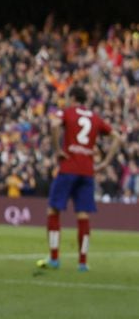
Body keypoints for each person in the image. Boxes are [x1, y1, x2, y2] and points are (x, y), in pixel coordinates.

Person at [37, 86, 121, 272]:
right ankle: (82, 263)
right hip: (87, 171)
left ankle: (54, 258)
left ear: (73, 97)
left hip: (68, 168)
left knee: (53, 210)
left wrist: (58, 149)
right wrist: (106, 162)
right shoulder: (95, 117)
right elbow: (117, 137)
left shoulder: (67, 112)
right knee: (83, 214)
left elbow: (54, 125)